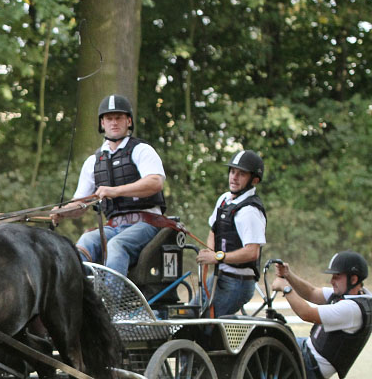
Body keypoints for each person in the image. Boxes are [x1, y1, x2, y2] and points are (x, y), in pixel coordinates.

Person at [58, 93, 167, 276]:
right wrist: (61, 212)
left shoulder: (141, 150)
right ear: (102, 123)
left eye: (119, 118)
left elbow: (155, 183)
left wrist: (115, 191)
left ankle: (111, 302)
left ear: (129, 121)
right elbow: (81, 204)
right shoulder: (93, 161)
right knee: (84, 243)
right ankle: (80, 297)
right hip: (112, 226)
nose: (114, 122)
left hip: (146, 223)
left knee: (116, 245)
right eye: (109, 118)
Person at [271, 251, 372, 379]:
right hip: (308, 348)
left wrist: (286, 288)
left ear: (353, 279)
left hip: (311, 363)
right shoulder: (354, 294)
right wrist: (288, 275)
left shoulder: (352, 309)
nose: (331, 281)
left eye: (336, 277)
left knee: (263, 349)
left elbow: (306, 313)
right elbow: (311, 292)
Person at [194, 150, 267, 316]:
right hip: (219, 277)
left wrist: (217, 257)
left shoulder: (250, 211)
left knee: (204, 326)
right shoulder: (225, 199)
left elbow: (252, 252)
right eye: (233, 171)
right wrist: (210, 251)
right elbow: (214, 229)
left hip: (237, 284)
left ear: (254, 180)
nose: (234, 177)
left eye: (241, 174)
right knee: (189, 316)